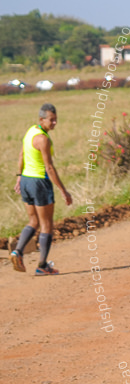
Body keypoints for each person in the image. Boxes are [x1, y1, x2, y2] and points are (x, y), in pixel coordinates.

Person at [10, 103, 72, 275]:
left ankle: (17, 251)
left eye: (56, 120)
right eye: (51, 120)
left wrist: (19, 177)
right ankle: (42, 266)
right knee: (46, 225)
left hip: (27, 181)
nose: (54, 124)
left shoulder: (30, 131)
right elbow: (49, 168)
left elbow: (22, 155)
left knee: (33, 221)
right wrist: (63, 190)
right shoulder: (43, 139)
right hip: (39, 182)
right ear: (41, 119)